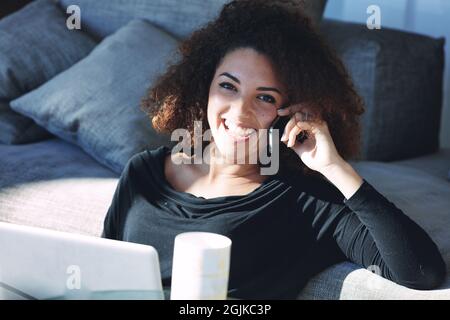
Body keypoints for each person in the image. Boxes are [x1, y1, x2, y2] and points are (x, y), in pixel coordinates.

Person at [102, 0, 446, 299]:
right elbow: (101, 271)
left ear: (292, 112)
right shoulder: (143, 172)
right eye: (228, 86)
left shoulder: (305, 203)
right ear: (203, 87)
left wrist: (334, 168)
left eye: (265, 97)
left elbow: (420, 272)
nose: (239, 111)